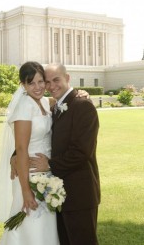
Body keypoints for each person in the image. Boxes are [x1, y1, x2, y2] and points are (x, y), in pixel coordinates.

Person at [29, 63, 101, 245]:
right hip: (58, 193)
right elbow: (40, 137)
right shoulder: (55, 107)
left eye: (56, 80)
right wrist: (16, 155)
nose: (52, 85)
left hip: (80, 194)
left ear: (67, 78)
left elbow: (82, 151)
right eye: (47, 82)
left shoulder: (82, 105)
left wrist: (50, 165)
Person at [0, 61, 60, 244]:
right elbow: (21, 149)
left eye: (40, 81)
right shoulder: (24, 107)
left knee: (45, 226)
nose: (37, 87)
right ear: (23, 85)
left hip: (46, 172)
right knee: (29, 225)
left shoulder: (45, 101)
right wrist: (26, 191)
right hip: (28, 176)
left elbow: (64, 97)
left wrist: (81, 93)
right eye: (31, 83)